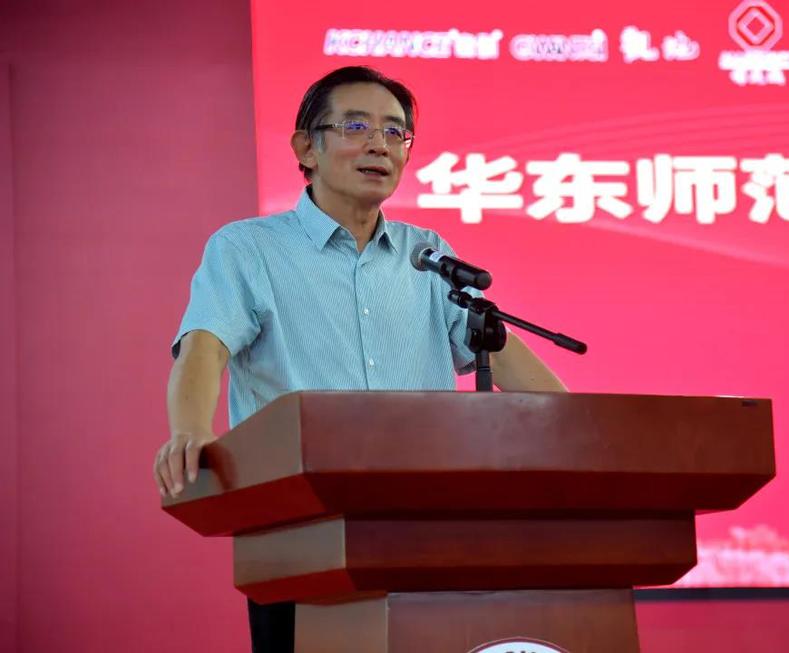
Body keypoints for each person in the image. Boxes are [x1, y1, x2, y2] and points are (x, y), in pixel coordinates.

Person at [152, 65, 566, 652]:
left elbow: (504, 355)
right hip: (299, 534)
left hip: (425, 532)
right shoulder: (248, 249)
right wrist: (190, 429)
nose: (379, 144)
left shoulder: (428, 256)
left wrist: (582, 436)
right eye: (355, 126)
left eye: (395, 132)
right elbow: (203, 347)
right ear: (306, 148)